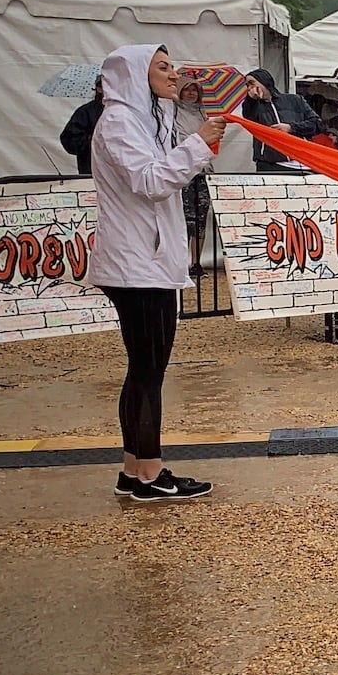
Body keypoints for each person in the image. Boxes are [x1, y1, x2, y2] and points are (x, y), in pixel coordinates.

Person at [88, 45, 227, 500]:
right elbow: (149, 181)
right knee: (148, 370)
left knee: (144, 369)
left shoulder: (144, 120)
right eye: (162, 67)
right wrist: (196, 143)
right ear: (134, 75)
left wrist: (194, 143)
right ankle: (149, 473)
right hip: (136, 265)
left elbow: (164, 175)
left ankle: (135, 469)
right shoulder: (120, 122)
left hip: (145, 261)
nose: (174, 74)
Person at [171, 80, 214, 279]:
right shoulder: (173, 112)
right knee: (185, 216)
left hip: (203, 170)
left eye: (194, 90)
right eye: (187, 89)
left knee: (201, 216)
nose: (190, 93)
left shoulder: (202, 113)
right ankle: (182, 261)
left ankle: (196, 262)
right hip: (184, 169)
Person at [240, 68, 319, 172]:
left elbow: (317, 124)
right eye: (247, 85)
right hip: (270, 163)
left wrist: (291, 127)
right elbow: (249, 117)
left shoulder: (295, 100)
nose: (250, 88)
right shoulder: (252, 106)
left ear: (264, 81)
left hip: (301, 161)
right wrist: (252, 100)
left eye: (252, 83)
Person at [60, 79, 105, 174]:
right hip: (91, 171)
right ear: (99, 88)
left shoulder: (125, 111)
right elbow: (69, 140)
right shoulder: (85, 112)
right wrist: (93, 140)